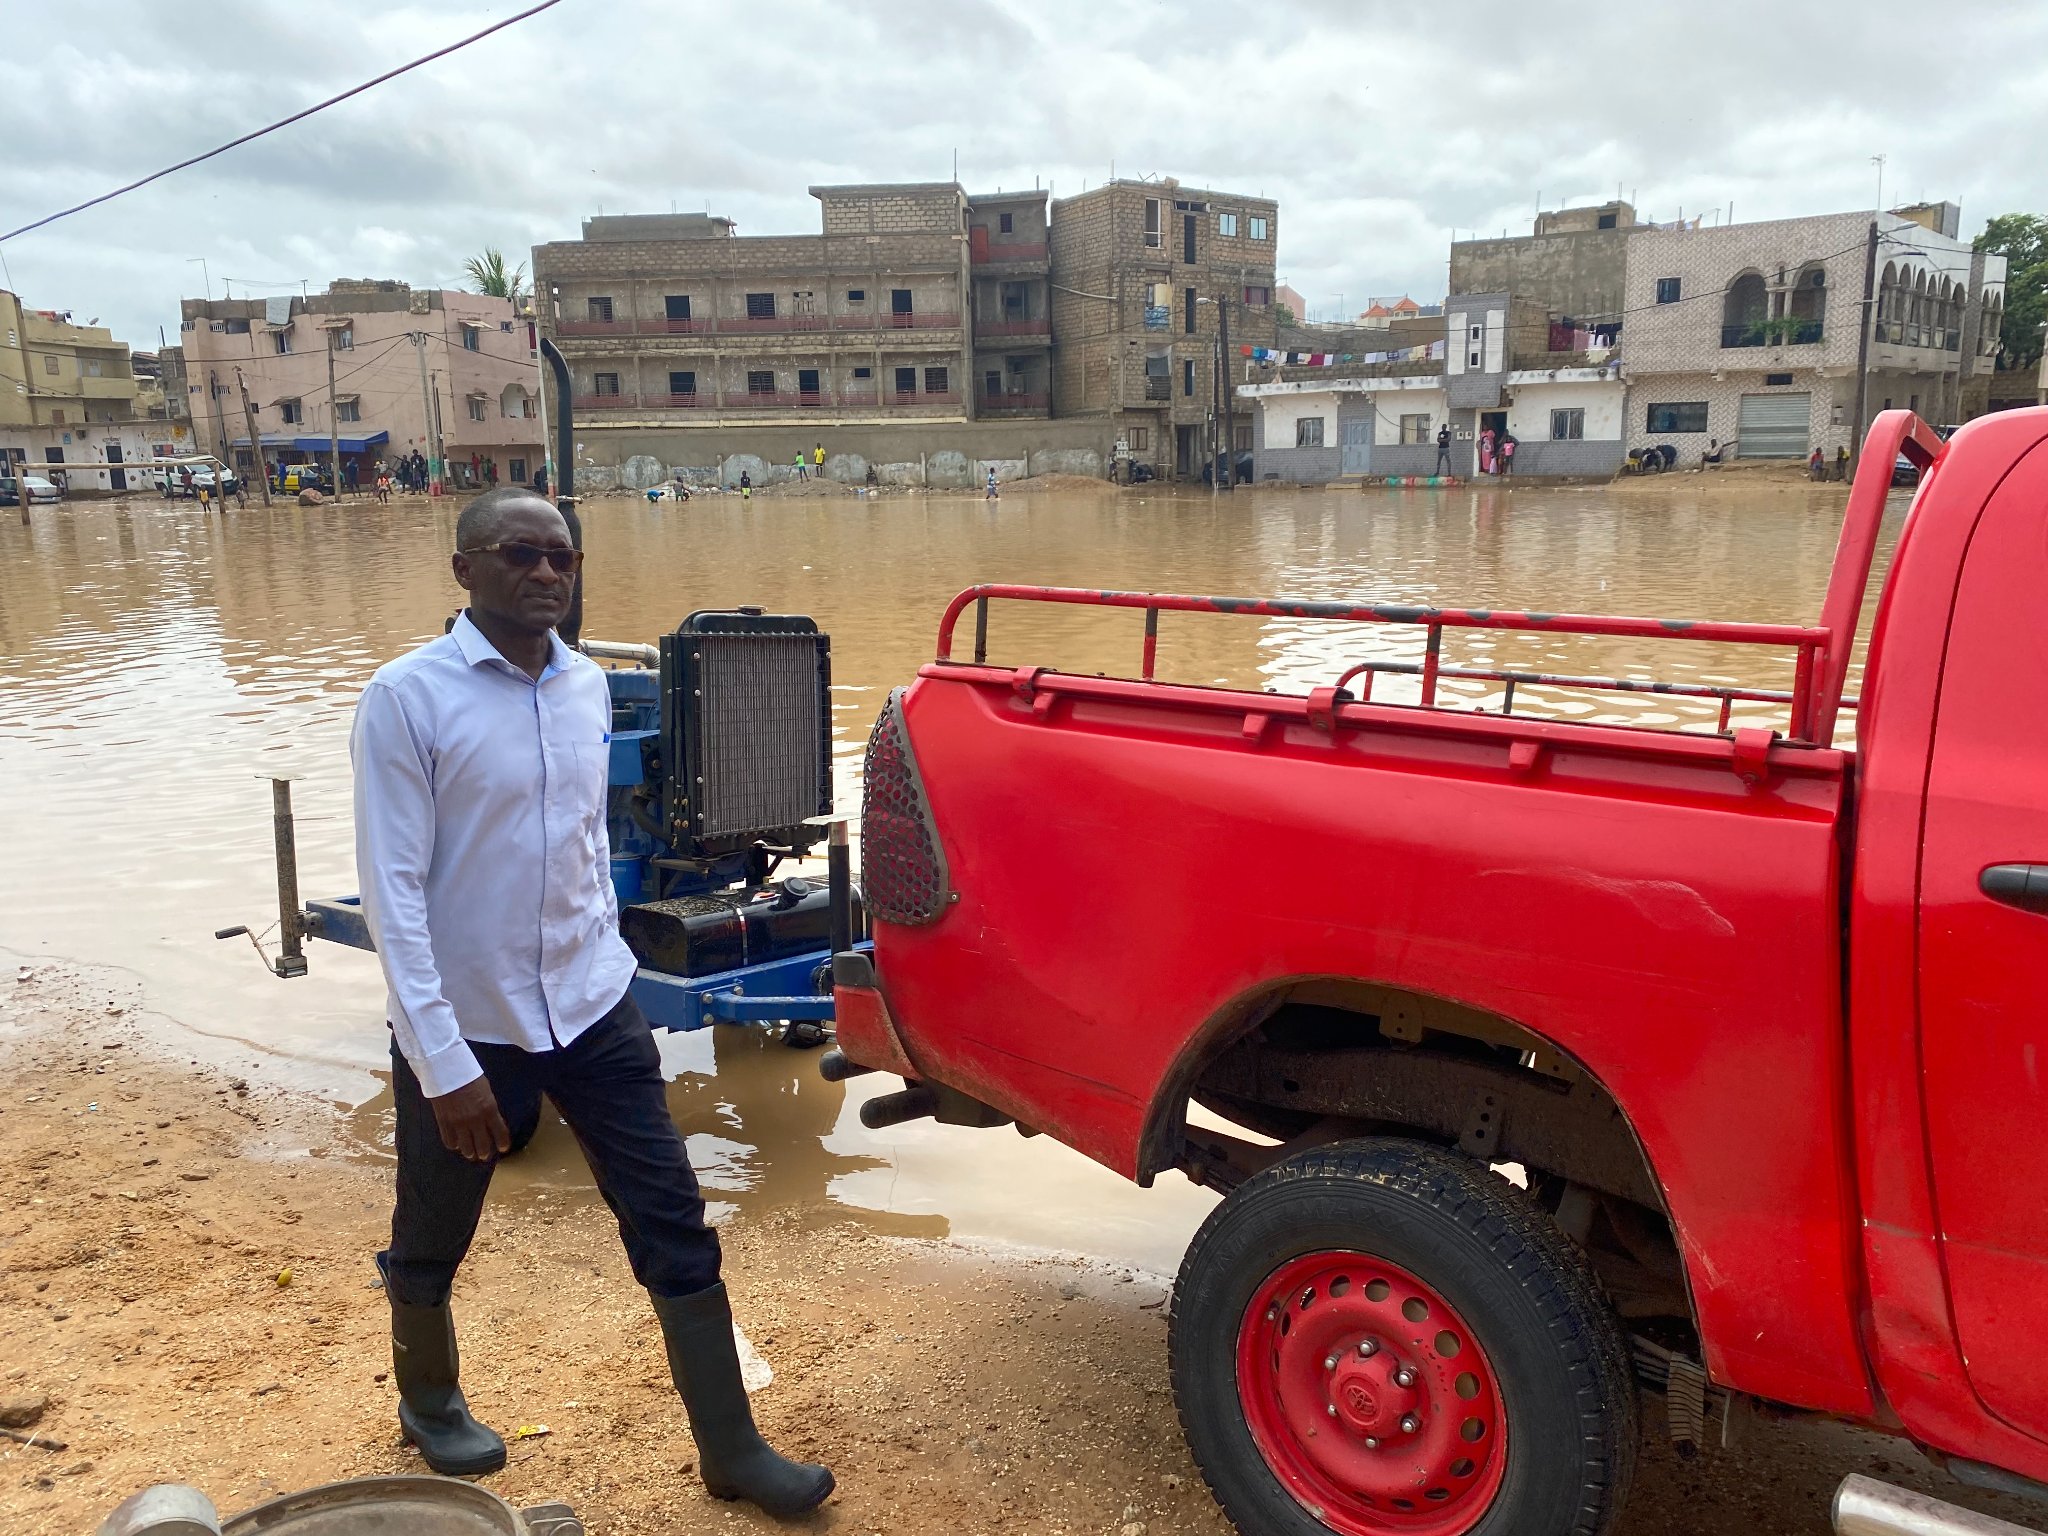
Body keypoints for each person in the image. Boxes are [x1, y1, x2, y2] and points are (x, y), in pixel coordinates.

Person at [349, 488, 834, 1516]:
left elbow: (576, 853)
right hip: (468, 1019)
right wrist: (443, 1066)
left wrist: (604, 953)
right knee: (436, 1221)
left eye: (561, 559)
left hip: (592, 1004)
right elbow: (393, 893)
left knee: (670, 1212)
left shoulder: (585, 691)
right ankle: (428, 1401)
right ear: (464, 569)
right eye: (518, 554)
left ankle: (732, 1450)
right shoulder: (407, 698)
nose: (544, 575)